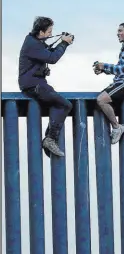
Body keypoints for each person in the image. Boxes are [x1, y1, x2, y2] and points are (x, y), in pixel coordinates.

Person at [18, 16, 74, 157]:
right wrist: (64, 44)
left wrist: (62, 42)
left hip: (36, 84)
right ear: (41, 32)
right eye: (49, 32)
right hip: (33, 85)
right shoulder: (33, 44)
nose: (50, 34)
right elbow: (52, 58)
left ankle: (49, 140)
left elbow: (48, 54)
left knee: (58, 104)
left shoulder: (34, 41)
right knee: (65, 105)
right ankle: (50, 139)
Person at [93, 22, 124, 144]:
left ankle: (117, 127)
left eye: (121, 31)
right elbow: (121, 68)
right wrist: (103, 70)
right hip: (121, 83)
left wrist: (103, 65)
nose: (118, 33)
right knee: (98, 103)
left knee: (101, 100)